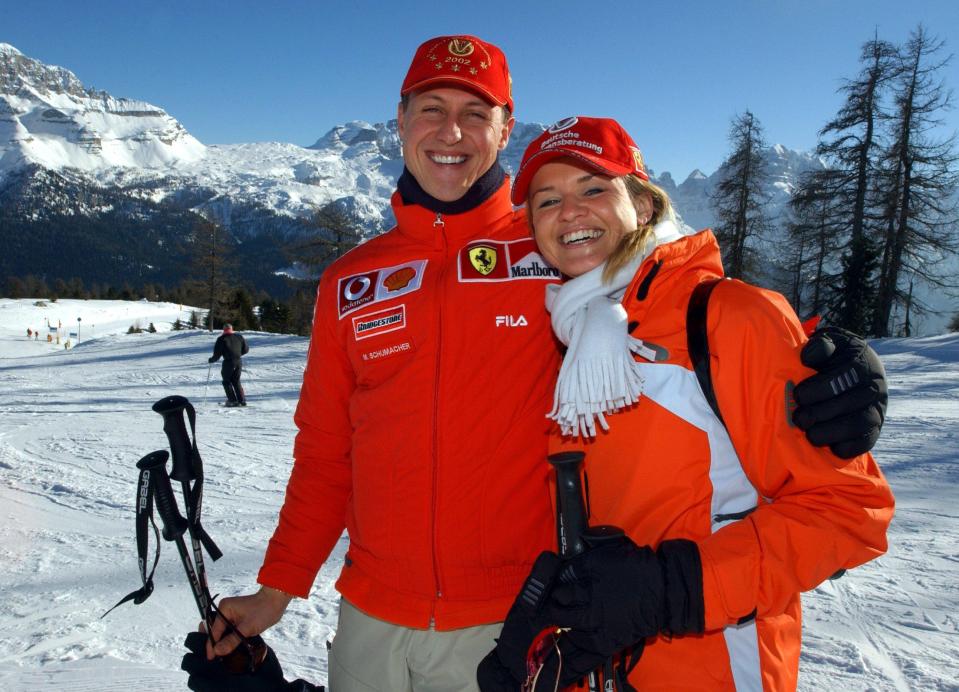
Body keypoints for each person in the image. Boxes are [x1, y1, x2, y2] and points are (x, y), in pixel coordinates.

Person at [184, 37, 888, 692]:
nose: (450, 132)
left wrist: (825, 364)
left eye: (473, 112)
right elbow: (326, 451)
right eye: (430, 109)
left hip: (515, 614)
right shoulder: (352, 279)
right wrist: (277, 589)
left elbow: (668, 289)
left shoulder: (553, 252)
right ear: (399, 122)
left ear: (504, 127)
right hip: (372, 612)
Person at [478, 117, 895, 691]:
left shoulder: (728, 317)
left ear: (644, 207)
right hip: (601, 666)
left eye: (593, 189)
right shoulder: (568, 335)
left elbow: (849, 514)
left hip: (715, 667)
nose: (569, 212)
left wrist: (668, 590)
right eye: (547, 200)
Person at [209, 323, 249, 407]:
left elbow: (217, 354)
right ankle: (242, 400)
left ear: (223, 330)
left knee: (226, 381)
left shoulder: (221, 339)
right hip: (238, 361)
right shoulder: (239, 337)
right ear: (232, 328)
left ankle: (233, 400)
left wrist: (212, 360)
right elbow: (246, 349)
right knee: (236, 380)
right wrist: (238, 354)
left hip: (228, 362)